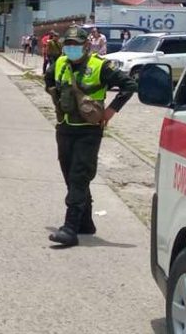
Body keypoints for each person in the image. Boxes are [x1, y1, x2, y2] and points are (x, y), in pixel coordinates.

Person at [44, 25, 137, 247]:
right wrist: (58, 97)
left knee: (79, 176)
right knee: (70, 175)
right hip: (65, 127)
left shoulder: (100, 66)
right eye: (68, 44)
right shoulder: (59, 63)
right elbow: (48, 82)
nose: (71, 48)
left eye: (76, 45)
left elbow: (129, 85)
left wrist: (110, 111)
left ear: (86, 45)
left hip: (88, 131)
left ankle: (70, 228)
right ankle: (85, 222)